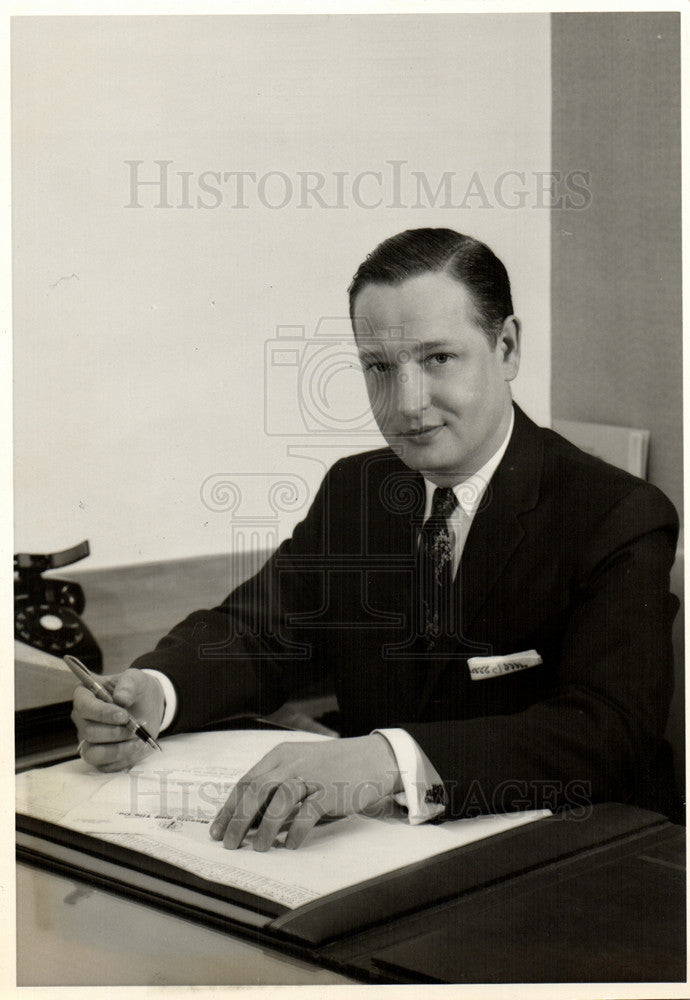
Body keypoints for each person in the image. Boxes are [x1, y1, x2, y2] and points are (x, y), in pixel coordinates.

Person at [72, 228, 679, 851]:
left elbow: (609, 733)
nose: (407, 402)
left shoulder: (617, 514)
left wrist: (387, 761)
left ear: (507, 349)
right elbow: (259, 633)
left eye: (438, 358)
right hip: (378, 856)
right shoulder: (356, 490)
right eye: (380, 367)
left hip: (572, 863)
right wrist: (153, 693)